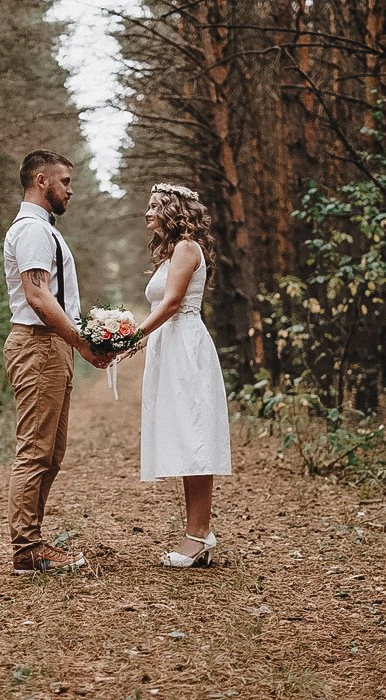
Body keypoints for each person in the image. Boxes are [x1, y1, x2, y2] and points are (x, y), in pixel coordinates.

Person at [2, 149, 113, 575]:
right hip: (38, 345)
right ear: (42, 180)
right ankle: (28, 549)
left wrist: (80, 341)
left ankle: (32, 543)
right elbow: (38, 295)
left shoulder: (43, 228)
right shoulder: (32, 229)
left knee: (51, 452)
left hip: (51, 346)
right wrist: (82, 344)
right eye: (65, 181)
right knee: (35, 451)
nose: (71, 190)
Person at [134, 183, 232, 568]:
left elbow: (173, 302)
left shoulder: (187, 248)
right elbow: (162, 305)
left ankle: (199, 534)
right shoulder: (172, 252)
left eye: (154, 206)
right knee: (183, 435)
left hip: (186, 347)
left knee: (194, 437)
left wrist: (133, 336)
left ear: (173, 211)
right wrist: (133, 342)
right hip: (169, 346)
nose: (147, 213)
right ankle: (198, 533)